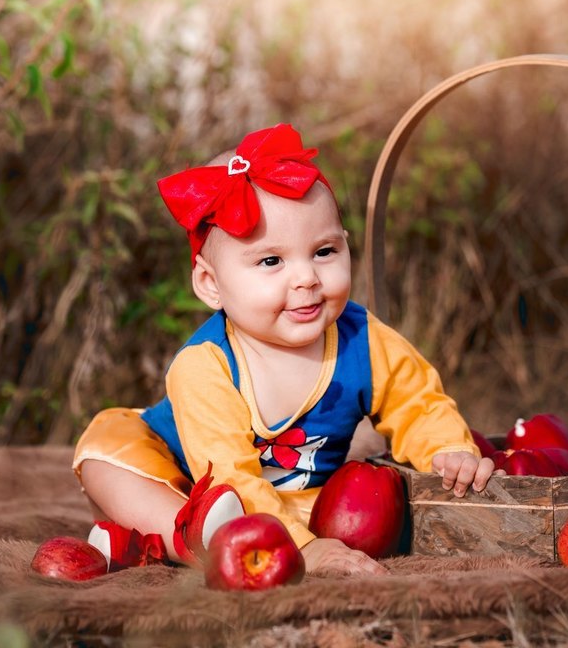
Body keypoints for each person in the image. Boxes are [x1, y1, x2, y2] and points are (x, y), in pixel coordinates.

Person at [73, 124, 495, 575]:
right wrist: (303, 549)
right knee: (106, 459)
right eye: (271, 261)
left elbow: (417, 400)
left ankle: (156, 545)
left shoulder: (362, 340)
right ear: (211, 284)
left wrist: (449, 450)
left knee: (305, 511)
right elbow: (230, 477)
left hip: (297, 500)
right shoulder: (205, 366)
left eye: (324, 251)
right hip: (184, 473)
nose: (307, 278)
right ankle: (186, 538)